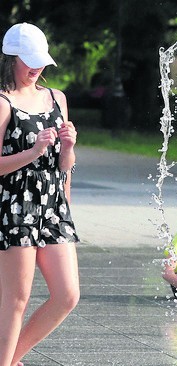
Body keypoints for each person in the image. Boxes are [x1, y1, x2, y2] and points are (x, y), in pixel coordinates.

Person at [0, 23, 80, 366]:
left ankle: (11, 357)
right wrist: (32, 153)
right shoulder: (3, 102)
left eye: (40, 61)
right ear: (10, 58)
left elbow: (65, 165)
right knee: (16, 300)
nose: (36, 68)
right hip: (15, 206)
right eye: (28, 61)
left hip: (53, 206)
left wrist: (69, 148)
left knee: (67, 295)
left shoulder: (56, 98)